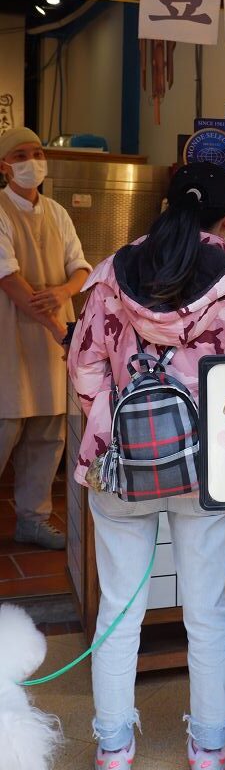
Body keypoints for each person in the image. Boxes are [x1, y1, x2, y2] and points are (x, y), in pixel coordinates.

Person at [67, 162, 225, 770]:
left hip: (119, 474)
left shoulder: (112, 272)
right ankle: (208, 757)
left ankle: (114, 757)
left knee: (119, 611)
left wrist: (115, 436)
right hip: (205, 470)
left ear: (167, 203)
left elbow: (84, 368)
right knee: (207, 613)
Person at [0, 126, 91, 550]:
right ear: (4, 165)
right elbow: (10, 278)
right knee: (6, 423)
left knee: (49, 430)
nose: (32, 161)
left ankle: (32, 519)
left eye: (37, 152)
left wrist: (63, 292)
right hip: (10, 335)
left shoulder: (56, 211)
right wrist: (57, 326)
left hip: (54, 336)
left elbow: (81, 265)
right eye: (21, 154)